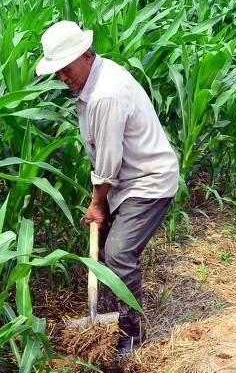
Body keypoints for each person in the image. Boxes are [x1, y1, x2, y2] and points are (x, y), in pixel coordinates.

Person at [36, 20, 180, 354]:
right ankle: (108, 314)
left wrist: (97, 203)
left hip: (149, 181)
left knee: (118, 253)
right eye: (56, 71)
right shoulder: (92, 82)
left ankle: (132, 332)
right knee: (101, 246)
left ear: (86, 55)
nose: (62, 77)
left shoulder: (105, 93)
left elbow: (109, 163)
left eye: (65, 68)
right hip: (126, 181)